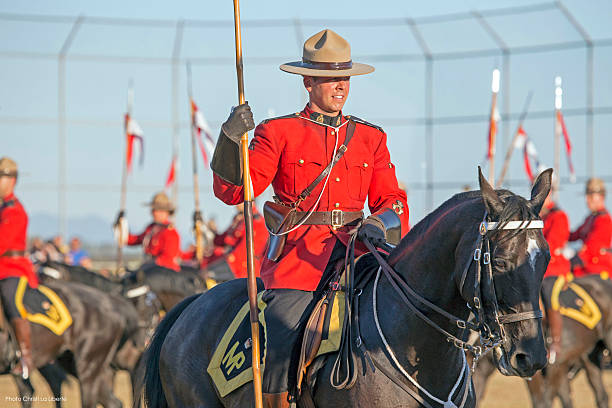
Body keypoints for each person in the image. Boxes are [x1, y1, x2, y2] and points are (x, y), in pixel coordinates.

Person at [211, 29, 409, 401]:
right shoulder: (278, 132)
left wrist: (378, 223)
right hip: (299, 265)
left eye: (345, 78)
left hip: (360, 257)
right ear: (308, 81)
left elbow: (393, 200)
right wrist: (228, 139)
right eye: (331, 78)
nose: (340, 87)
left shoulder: (371, 138)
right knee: (283, 336)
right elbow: (236, 191)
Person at [0, 157, 37, 378]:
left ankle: (26, 356)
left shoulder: (15, 211)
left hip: (13, 269)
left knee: (10, 297)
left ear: (12, 180)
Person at [539, 190, 570, 364]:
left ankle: (555, 345)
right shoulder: (540, 217)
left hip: (555, 270)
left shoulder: (559, 216)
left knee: (550, 294)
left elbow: (552, 244)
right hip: (542, 270)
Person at [120, 192, 181, 272]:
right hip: (150, 269)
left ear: (165, 212)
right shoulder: (151, 228)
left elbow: (167, 259)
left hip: (164, 273)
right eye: (153, 210)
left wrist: (147, 267)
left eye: (156, 210)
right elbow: (136, 240)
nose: (153, 213)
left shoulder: (170, 233)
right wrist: (122, 230)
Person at [205, 203, 267, 281]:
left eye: (239, 201)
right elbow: (221, 240)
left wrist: (224, 255)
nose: (235, 204)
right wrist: (212, 230)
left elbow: (244, 251)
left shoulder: (256, 221)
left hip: (244, 269)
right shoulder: (238, 219)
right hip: (232, 262)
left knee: (207, 275)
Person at [569, 178, 612, 277]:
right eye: (587, 196)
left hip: (598, 268)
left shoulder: (604, 220)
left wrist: (574, 261)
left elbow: (592, 246)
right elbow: (574, 235)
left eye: (591, 196)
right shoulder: (590, 218)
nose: (587, 200)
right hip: (586, 266)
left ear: (601, 197)